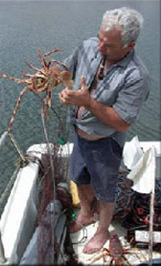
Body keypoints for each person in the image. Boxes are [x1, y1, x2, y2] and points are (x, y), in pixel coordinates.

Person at [58, 7, 150, 254]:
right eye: (100, 38)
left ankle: (102, 231)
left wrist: (87, 102)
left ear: (129, 46)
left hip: (105, 144)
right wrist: (54, 78)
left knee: (106, 192)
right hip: (79, 134)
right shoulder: (88, 46)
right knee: (79, 177)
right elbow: (66, 69)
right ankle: (87, 214)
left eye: (108, 45)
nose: (100, 47)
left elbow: (122, 122)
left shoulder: (137, 76)